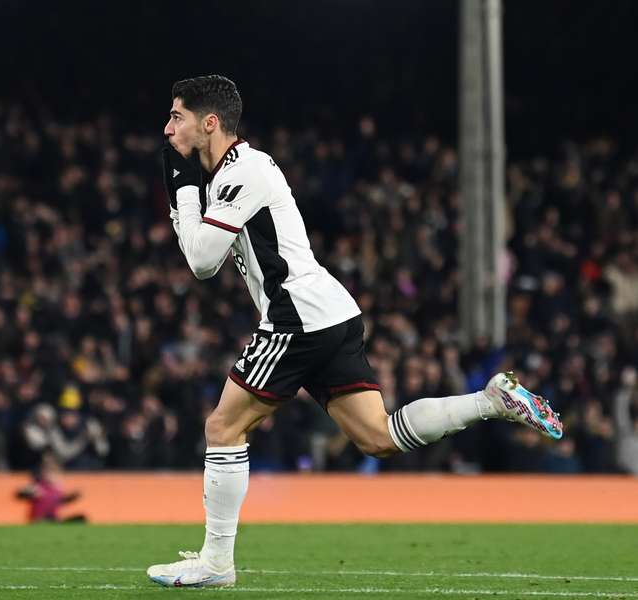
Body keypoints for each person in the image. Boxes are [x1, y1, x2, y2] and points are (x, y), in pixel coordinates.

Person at [146, 75, 563, 588]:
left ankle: (216, 564)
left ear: (210, 123)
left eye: (177, 116)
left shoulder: (243, 169)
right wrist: (188, 189)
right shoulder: (231, 173)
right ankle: (491, 401)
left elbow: (202, 262)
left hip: (297, 318)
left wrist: (181, 192)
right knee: (379, 438)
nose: (167, 129)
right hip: (330, 313)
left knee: (222, 429)